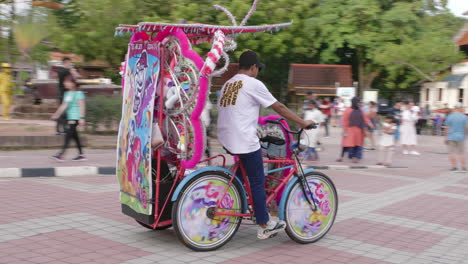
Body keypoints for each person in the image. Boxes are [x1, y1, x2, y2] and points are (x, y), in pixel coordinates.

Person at [217, 50, 314, 240]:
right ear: (253, 67)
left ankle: (233, 199)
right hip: (243, 139)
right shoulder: (253, 83)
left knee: (241, 175)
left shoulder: (229, 83)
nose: (257, 72)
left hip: (226, 136)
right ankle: (264, 224)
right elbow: (278, 107)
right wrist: (303, 123)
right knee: (257, 181)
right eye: (257, 69)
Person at [51, 75, 86, 161]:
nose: (64, 83)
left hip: (76, 117)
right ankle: (81, 154)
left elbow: (82, 106)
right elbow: (64, 105)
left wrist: (82, 118)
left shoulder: (79, 93)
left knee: (68, 135)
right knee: (74, 136)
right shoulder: (67, 94)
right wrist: (56, 114)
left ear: (73, 83)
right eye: (64, 82)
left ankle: (61, 154)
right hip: (70, 117)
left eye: (67, 82)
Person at [339, 97, 372, 163]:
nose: (359, 104)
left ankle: (355, 157)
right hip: (349, 130)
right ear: (354, 102)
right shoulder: (348, 110)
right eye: (358, 102)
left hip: (359, 131)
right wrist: (344, 130)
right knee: (346, 144)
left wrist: (370, 124)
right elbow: (344, 121)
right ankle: (341, 157)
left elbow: (365, 118)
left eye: (360, 102)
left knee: (357, 144)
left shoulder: (361, 110)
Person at [56, 57, 81, 135]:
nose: (70, 64)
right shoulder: (63, 70)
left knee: (64, 111)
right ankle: (63, 130)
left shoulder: (63, 70)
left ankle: (60, 130)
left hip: (65, 93)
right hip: (63, 93)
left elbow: (76, 76)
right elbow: (76, 76)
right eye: (70, 63)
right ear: (66, 62)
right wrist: (73, 71)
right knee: (64, 112)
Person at [444, 103, 468, 172]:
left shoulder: (450, 116)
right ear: (460, 108)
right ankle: (463, 168)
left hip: (451, 137)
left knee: (452, 152)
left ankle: (454, 167)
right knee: (461, 153)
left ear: (455, 108)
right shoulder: (464, 117)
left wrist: (445, 137)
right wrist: (466, 135)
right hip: (461, 137)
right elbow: (466, 127)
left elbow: (446, 128)